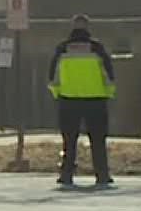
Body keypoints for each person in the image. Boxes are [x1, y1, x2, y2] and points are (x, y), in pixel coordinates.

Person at [47, 14, 116, 189]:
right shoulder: (96, 48)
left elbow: (52, 76)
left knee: (69, 140)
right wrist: (108, 93)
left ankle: (66, 174)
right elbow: (109, 75)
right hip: (96, 100)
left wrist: (58, 93)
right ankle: (102, 174)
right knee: (98, 140)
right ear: (87, 27)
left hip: (69, 100)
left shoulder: (63, 49)